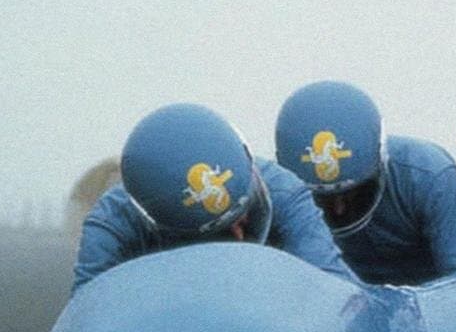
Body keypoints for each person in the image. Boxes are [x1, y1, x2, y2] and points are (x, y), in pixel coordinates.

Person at [274, 80, 456, 286]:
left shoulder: (427, 174)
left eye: (355, 194)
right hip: (389, 292)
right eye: (320, 200)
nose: (340, 210)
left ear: (381, 163)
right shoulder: (275, 196)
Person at [73, 103, 360, 292]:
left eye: (245, 216)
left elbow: (336, 290)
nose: (239, 236)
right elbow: (84, 322)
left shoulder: (284, 192)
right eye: (218, 234)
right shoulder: (110, 225)